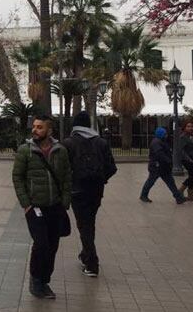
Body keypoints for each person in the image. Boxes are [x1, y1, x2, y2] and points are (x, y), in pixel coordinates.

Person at [12, 115, 71, 300]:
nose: (35, 130)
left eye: (39, 127)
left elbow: (67, 177)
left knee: (53, 245)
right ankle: (36, 281)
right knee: (41, 244)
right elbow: (17, 177)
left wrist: (65, 202)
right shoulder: (25, 151)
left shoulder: (60, 150)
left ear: (49, 130)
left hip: (55, 206)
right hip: (35, 207)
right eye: (34, 127)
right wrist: (26, 204)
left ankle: (44, 281)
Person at [61, 111, 117, 278]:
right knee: (88, 223)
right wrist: (101, 179)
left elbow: (63, 169)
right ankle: (86, 254)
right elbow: (112, 167)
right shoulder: (101, 142)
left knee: (84, 225)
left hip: (78, 190)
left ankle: (92, 262)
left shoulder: (68, 143)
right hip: (96, 191)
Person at [140, 127, 187, 204]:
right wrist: (168, 160)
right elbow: (159, 154)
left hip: (163, 167)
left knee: (170, 182)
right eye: (165, 134)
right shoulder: (156, 142)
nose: (166, 135)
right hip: (157, 166)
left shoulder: (161, 141)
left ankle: (178, 197)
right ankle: (143, 195)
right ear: (161, 134)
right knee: (151, 181)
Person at [175, 121, 193, 202]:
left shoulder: (192, 136)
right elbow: (182, 150)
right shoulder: (183, 137)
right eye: (188, 126)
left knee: (192, 175)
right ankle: (181, 190)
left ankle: (191, 195)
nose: (190, 128)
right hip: (186, 159)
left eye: (191, 126)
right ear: (184, 128)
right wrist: (189, 159)